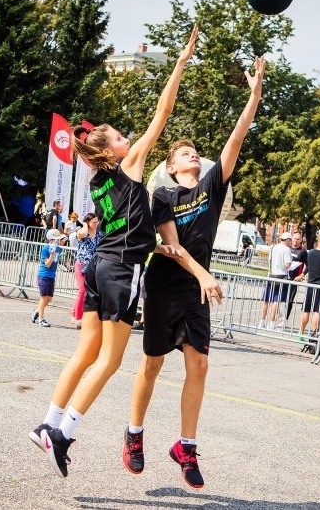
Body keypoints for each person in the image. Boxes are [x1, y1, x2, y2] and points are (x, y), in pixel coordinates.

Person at [29, 25, 198, 479]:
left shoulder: (97, 180)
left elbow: (128, 224)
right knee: (109, 361)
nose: (129, 139)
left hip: (98, 267)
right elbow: (163, 112)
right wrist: (180, 64)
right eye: (121, 136)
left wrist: (158, 244)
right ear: (109, 149)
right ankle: (62, 433)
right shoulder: (128, 167)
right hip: (122, 272)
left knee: (85, 353)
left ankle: (47, 421)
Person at [123, 56, 264, 489]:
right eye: (186, 153)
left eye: (195, 152)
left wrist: (254, 95)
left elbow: (236, 139)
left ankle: (186, 446)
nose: (194, 154)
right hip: (166, 285)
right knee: (152, 364)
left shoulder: (211, 188)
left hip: (197, 290)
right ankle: (134, 433)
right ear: (171, 166)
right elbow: (172, 246)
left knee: (199, 365)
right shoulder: (164, 196)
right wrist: (203, 274)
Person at [296, 233, 320, 342]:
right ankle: (314, 334)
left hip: (311, 285)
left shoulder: (310, 253)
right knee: (318, 311)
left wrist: (302, 274)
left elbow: (309, 266)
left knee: (306, 310)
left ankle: (300, 333)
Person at [70, 214, 101, 328]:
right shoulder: (82, 232)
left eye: (97, 222)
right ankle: (78, 317)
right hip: (81, 264)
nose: (96, 224)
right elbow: (82, 234)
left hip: (93, 266)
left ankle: (74, 314)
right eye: (93, 222)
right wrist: (84, 225)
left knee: (88, 291)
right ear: (87, 222)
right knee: (82, 290)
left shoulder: (99, 235)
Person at [31, 229, 67, 327]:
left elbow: (62, 243)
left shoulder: (58, 248)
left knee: (49, 298)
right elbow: (47, 264)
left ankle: (37, 311)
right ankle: (41, 319)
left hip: (52, 276)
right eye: (56, 240)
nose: (57, 242)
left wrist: (64, 238)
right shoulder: (45, 249)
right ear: (50, 240)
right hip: (44, 275)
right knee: (44, 297)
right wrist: (52, 254)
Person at [258, 232, 293, 331]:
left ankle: (262, 321)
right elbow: (287, 265)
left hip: (271, 275)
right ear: (287, 240)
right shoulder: (286, 249)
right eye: (290, 240)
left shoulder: (273, 247)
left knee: (266, 300)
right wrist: (291, 262)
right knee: (276, 301)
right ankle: (272, 323)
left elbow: (270, 260)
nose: (291, 242)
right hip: (281, 276)